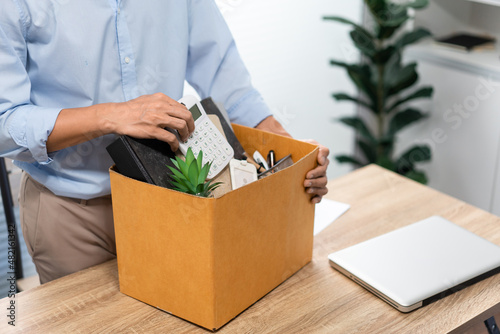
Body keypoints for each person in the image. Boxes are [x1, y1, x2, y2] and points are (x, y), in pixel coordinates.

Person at [0, 0, 329, 284]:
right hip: (74, 214)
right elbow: (5, 124)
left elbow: (231, 87)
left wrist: (292, 153)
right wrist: (110, 116)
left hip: (171, 200)